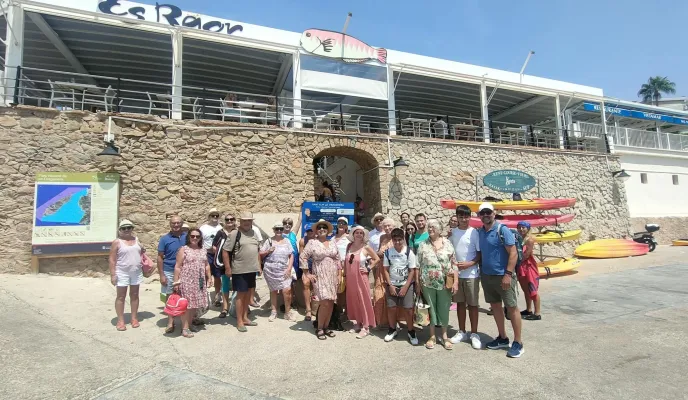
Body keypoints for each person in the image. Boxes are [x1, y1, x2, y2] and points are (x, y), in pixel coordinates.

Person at [476, 202, 524, 358]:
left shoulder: (502, 230)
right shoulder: (480, 232)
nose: (485, 215)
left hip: (503, 276)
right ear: (479, 216)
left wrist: (508, 274)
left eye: (488, 212)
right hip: (487, 276)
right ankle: (502, 337)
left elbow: (513, 253)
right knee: (495, 306)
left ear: (493, 213)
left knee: (511, 307)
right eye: (482, 213)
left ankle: (518, 342)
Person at [416, 219, 458, 350]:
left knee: (444, 308)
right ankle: (432, 336)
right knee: (431, 309)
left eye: (433, 227)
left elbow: (454, 263)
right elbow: (417, 265)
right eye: (429, 227)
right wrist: (417, 283)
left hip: (445, 282)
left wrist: (456, 282)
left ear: (440, 229)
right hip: (427, 282)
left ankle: (445, 336)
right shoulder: (423, 244)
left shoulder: (448, 243)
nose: (430, 229)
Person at [300, 219, 342, 340]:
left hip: (332, 276)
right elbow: (303, 257)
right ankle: (319, 327)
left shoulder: (332, 242)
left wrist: (339, 275)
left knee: (331, 302)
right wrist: (307, 273)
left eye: (324, 227)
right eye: (319, 227)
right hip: (320, 275)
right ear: (316, 231)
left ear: (328, 230)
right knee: (324, 302)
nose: (322, 229)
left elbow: (338, 259)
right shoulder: (312, 243)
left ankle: (326, 326)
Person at [448, 205, 482, 349]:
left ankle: (474, 333)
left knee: (473, 305)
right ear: (457, 217)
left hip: (471, 274)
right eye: (460, 217)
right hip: (457, 274)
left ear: (470, 217)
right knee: (460, 303)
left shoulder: (475, 232)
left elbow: (479, 254)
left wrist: (470, 263)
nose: (463, 219)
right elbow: (449, 251)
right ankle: (462, 331)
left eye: (466, 216)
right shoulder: (452, 233)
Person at [222, 211, 262, 332]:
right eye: (244, 220)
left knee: (248, 295)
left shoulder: (253, 233)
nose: (246, 222)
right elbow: (225, 251)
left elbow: (257, 250)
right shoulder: (235, 233)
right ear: (240, 221)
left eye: (249, 220)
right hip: (239, 269)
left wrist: (259, 266)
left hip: (252, 269)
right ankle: (239, 321)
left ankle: (245, 318)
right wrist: (228, 268)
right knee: (240, 296)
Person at [172, 228, 211, 338]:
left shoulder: (203, 249)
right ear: (188, 237)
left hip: (200, 280)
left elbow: (207, 265)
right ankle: (184, 328)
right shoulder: (183, 249)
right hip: (187, 280)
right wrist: (176, 281)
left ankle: (189, 324)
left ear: (200, 238)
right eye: (192, 236)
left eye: (197, 236)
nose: (195, 238)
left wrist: (209, 278)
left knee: (195, 304)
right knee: (187, 305)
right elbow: (178, 266)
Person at [382, 228, 419, 345]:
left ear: (403, 239)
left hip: (406, 284)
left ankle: (411, 331)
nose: (397, 242)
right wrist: (390, 285)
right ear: (392, 240)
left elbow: (412, 270)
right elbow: (385, 269)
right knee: (391, 307)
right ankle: (392, 329)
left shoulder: (409, 252)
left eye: (399, 240)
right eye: (395, 240)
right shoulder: (388, 252)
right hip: (392, 284)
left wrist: (406, 287)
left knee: (408, 309)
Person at [343, 225, 379, 339]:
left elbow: (377, 259)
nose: (359, 234)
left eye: (361, 233)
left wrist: (368, 268)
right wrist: (344, 275)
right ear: (353, 234)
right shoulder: (349, 246)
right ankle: (358, 322)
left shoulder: (366, 247)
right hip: (350, 278)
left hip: (361, 277)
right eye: (357, 232)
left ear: (364, 235)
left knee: (363, 300)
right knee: (354, 300)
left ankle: (366, 326)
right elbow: (346, 262)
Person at [109, 219, 144, 331]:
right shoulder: (117, 242)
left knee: (134, 295)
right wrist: (113, 274)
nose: (126, 230)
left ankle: (134, 318)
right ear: (120, 230)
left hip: (135, 272)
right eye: (124, 228)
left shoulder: (136, 240)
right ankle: (120, 320)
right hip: (122, 272)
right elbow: (112, 259)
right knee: (121, 296)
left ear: (132, 229)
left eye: (129, 227)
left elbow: (140, 252)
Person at [158, 215, 187, 334]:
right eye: (173, 223)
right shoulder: (164, 239)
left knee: (186, 295)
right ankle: (170, 322)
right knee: (170, 296)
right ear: (170, 224)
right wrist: (161, 275)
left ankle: (188, 321)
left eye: (178, 223)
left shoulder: (187, 237)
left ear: (182, 224)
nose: (176, 225)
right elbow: (160, 257)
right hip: (169, 270)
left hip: (185, 270)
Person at [260, 222, 295, 322]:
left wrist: (289, 268)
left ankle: (287, 312)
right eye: (277, 229)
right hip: (270, 270)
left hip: (284, 269)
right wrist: (268, 251)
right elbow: (260, 253)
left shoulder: (287, 241)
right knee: (273, 291)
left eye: (281, 229)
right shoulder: (269, 241)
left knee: (287, 290)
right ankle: (274, 311)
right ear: (273, 230)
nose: (279, 231)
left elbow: (291, 255)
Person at [212, 213, 236, 318]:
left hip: (237, 262)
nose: (229, 221)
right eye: (227, 219)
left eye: (232, 219)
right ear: (224, 221)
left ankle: (237, 306)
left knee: (238, 284)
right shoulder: (220, 233)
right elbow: (214, 246)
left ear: (234, 220)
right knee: (225, 284)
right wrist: (220, 255)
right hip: (224, 263)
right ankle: (225, 308)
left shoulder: (238, 232)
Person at [516, 221, 541, 321]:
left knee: (532, 289)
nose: (521, 229)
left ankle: (537, 313)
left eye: (523, 227)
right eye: (519, 227)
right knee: (526, 290)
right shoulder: (519, 239)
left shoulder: (529, 240)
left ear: (528, 228)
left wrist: (515, 260)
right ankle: (529, 309)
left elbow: (526, 254)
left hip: (528, 267)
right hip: (522, 267)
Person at [373, 217, 396, 327]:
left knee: (392, 294)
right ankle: (381, 320)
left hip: (393, 270)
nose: (387, 228)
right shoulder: (382, 237)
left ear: (393, 226)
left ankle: (394, 321)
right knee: (379, 293)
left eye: (389, 225)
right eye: (385, 226)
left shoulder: (398, 236)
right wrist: (379, 253)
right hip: (381, 269)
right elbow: (378, 251)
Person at [200, 208, 223, 307]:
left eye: (216, 216)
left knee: (217, 276)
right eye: (212, 215)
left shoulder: (221, 227)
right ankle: (202, 296)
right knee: (204, 275)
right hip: (206, 254)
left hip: (217, 255)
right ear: (209, 217)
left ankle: (217, 296)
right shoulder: (203, 228)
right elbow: (199, 241)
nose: (215, 217)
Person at [298, 224, 315, 321]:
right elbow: (301, 256)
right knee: (306, 284)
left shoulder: (318, 240)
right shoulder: (302, 241)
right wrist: (305, 271)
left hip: (317, 266)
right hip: (307, 266)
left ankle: (316, 308)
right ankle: (308, 310)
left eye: (311, 231)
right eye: (308, 231)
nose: (310, 232)